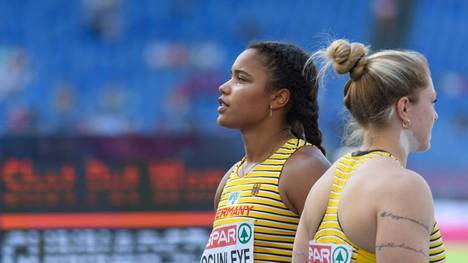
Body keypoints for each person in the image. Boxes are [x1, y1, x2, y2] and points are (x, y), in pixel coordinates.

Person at [292, 39, 446, 263]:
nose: (435, 114)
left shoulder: (327, 180)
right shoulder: (402, 187)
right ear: (404, 107)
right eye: (432, 101)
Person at [201, 41, 330, 262]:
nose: (224, 87)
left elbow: (338, 250)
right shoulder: (230, 180)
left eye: (241, 79)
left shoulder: (303, 168)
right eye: (231, 76)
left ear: (279, 98)